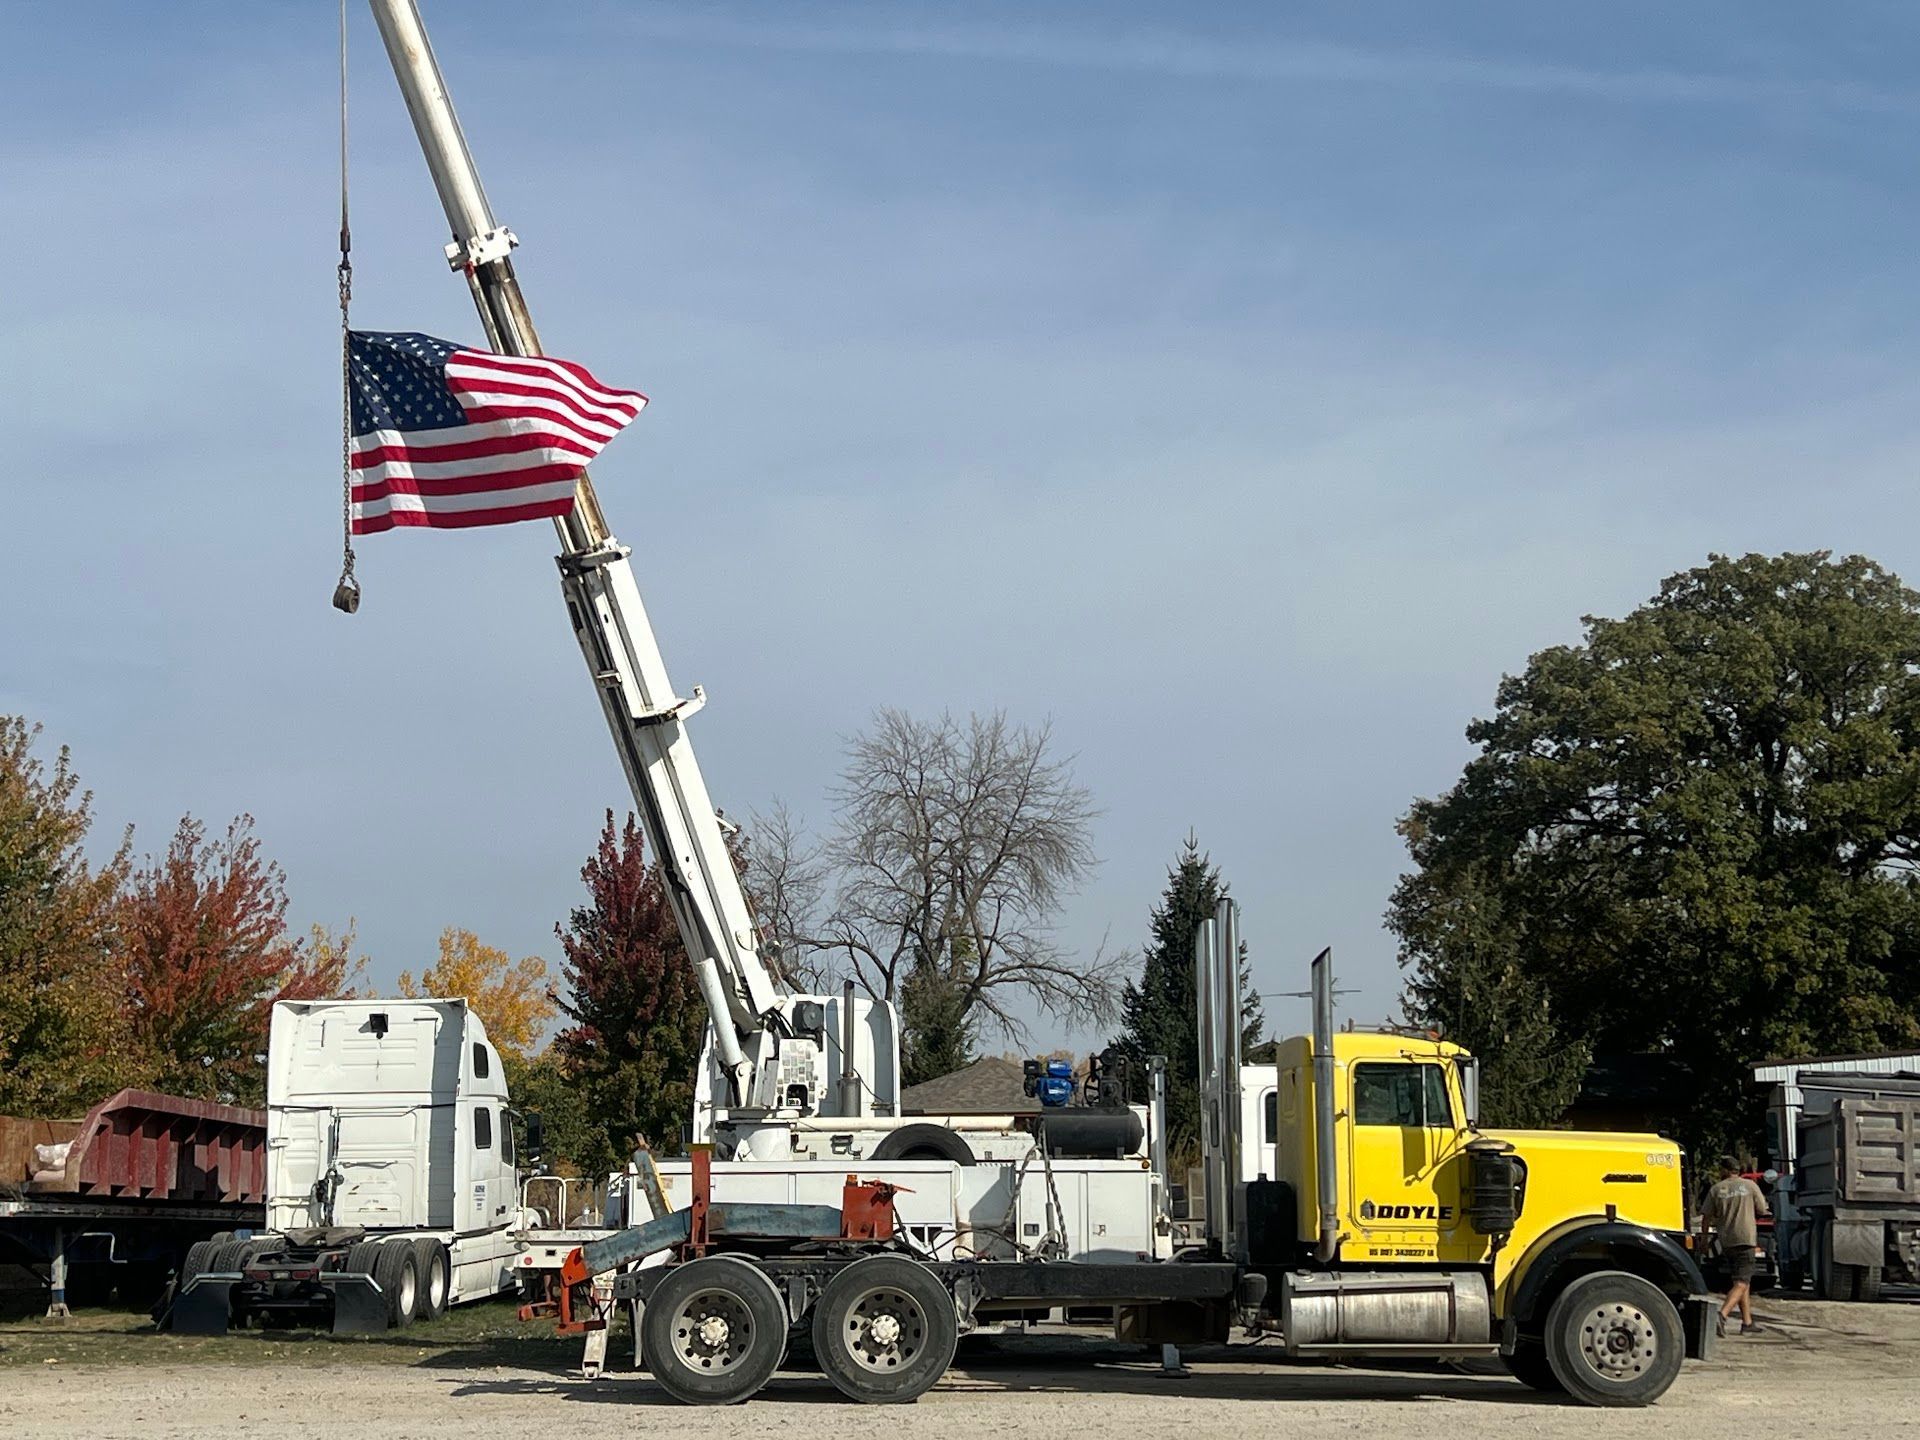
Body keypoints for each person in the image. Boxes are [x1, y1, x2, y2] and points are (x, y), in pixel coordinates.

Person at [1700, 1155, 1770, 1336]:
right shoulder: (1750, 1186)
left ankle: (1747, 1323)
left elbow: (1706, 1216)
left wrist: (1704, 1240)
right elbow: (1762, 1209)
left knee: (1740, 1280)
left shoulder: (1716, 1189)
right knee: (1742, 1281)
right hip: (1746, 1238)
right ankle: (1721, 1316)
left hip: (1727, 1241)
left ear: (1724, 1170)